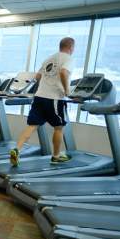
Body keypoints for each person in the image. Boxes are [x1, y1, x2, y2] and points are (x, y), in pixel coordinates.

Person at [10, 37, 75, 167]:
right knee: (58, 127)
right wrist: (67, 90)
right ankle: (56, 156)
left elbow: (38, 76)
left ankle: (17, 149)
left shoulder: (49, 59)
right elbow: (63, 73)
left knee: (32, 125)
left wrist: (44, 87)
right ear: (71, 47)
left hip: (39, 96)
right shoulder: (68, 59)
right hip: (54, 98)